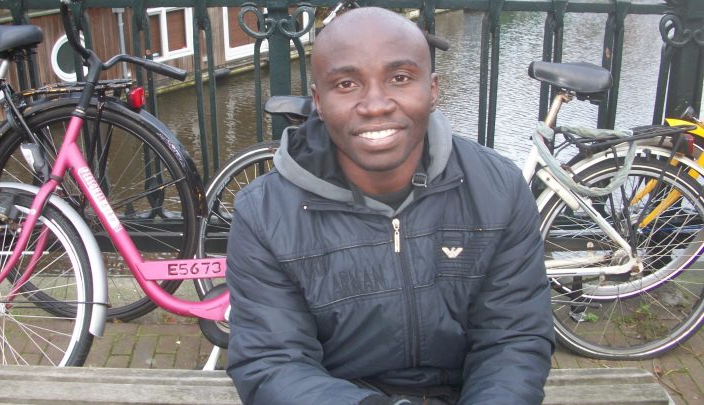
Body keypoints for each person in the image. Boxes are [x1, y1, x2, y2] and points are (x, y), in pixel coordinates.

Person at [225, 7, 554, 405]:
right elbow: (273, 362)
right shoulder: (265, 214)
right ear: (319, 101)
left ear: (432, 90)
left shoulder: (498, 189)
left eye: (399, 78)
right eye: (347, 84)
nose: (376, 105)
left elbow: (513, 338)